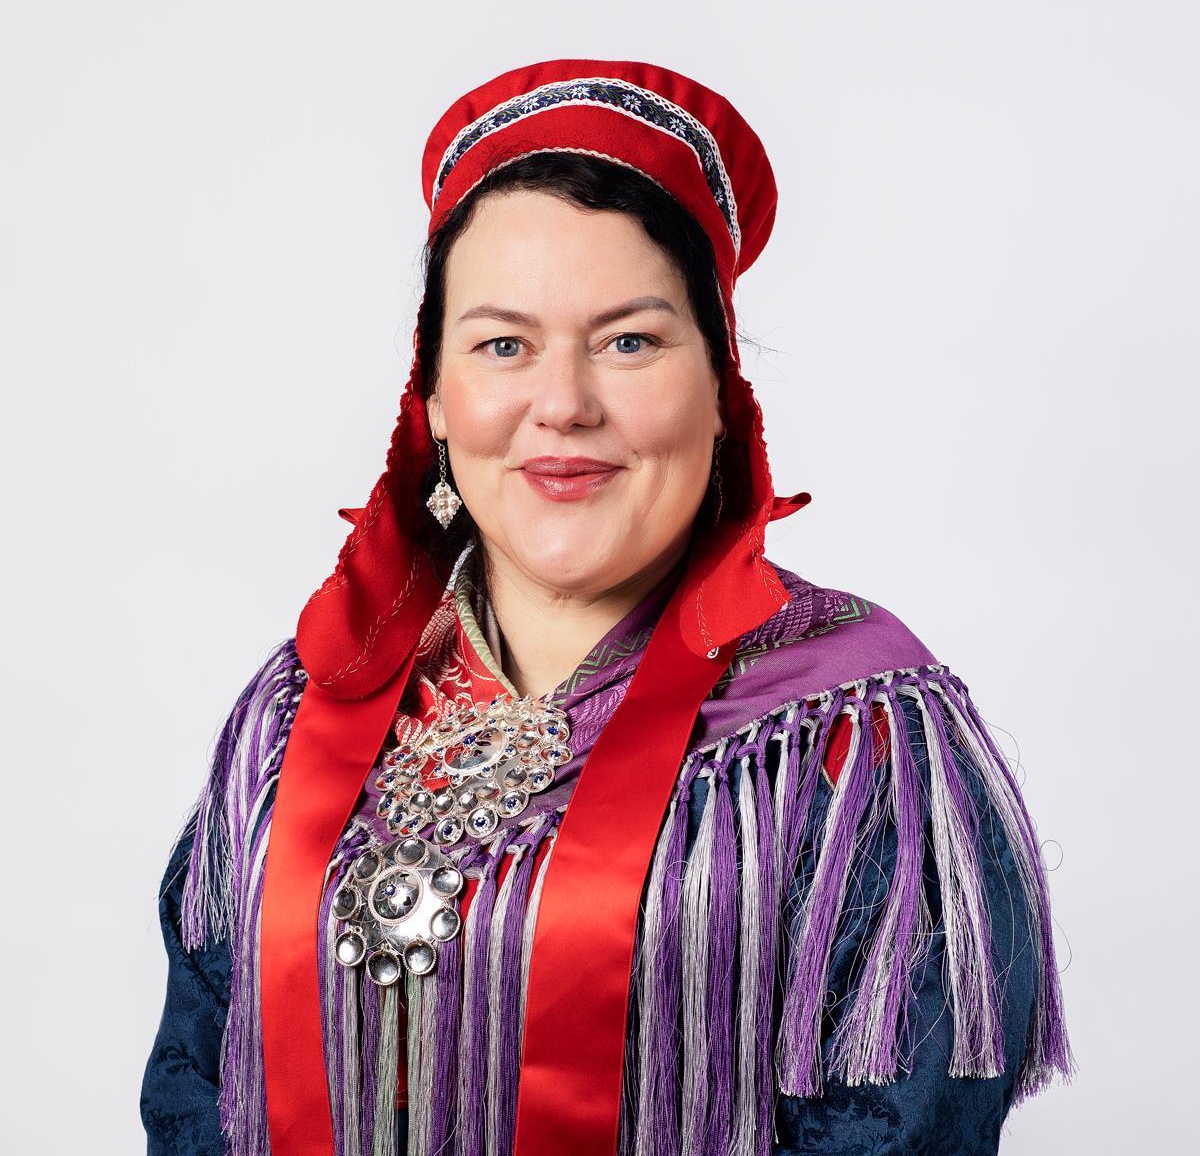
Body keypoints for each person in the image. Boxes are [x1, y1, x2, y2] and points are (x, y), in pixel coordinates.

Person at [140, 58, 1072, 1156]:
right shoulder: (304, 706)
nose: (563, 404)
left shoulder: (853, 737)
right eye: (503, 345)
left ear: (721, 387)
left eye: (629, 341)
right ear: (432, 396)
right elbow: (197, 1088)